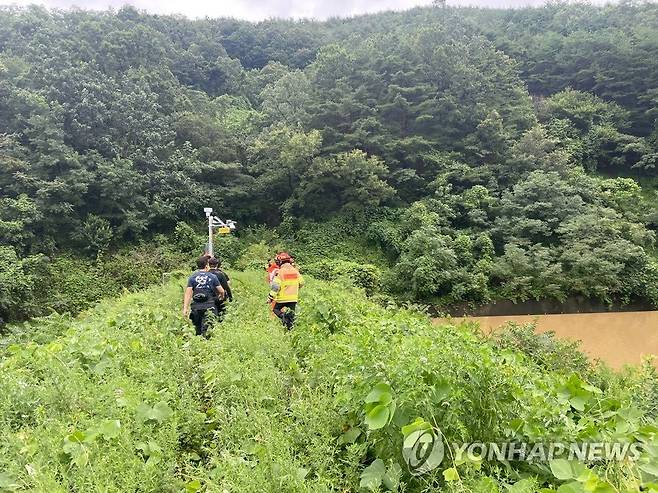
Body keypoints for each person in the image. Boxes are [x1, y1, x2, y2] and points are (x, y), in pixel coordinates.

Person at [183, 255, 225, 337]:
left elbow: (188, 294)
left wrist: (185, 308)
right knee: (208, 329)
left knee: (197, 330)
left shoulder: (192, 277)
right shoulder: (212, 277)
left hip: (196, 307)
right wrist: (221, 297)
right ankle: (206, 344)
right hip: (209, 306)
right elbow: (221, 291)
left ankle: (198, 343)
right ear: (207, 265)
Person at [268, 252, 304, 330]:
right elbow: (302, 282)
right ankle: (290, 330)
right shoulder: (295, 271)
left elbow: (275, 287)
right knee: (291, 315)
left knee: (275, 309)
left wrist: (270, 297)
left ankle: (283, 316)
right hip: (293, 298)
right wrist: (295, 288)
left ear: (280, 262)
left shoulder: (280, 272)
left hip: (282, 298)